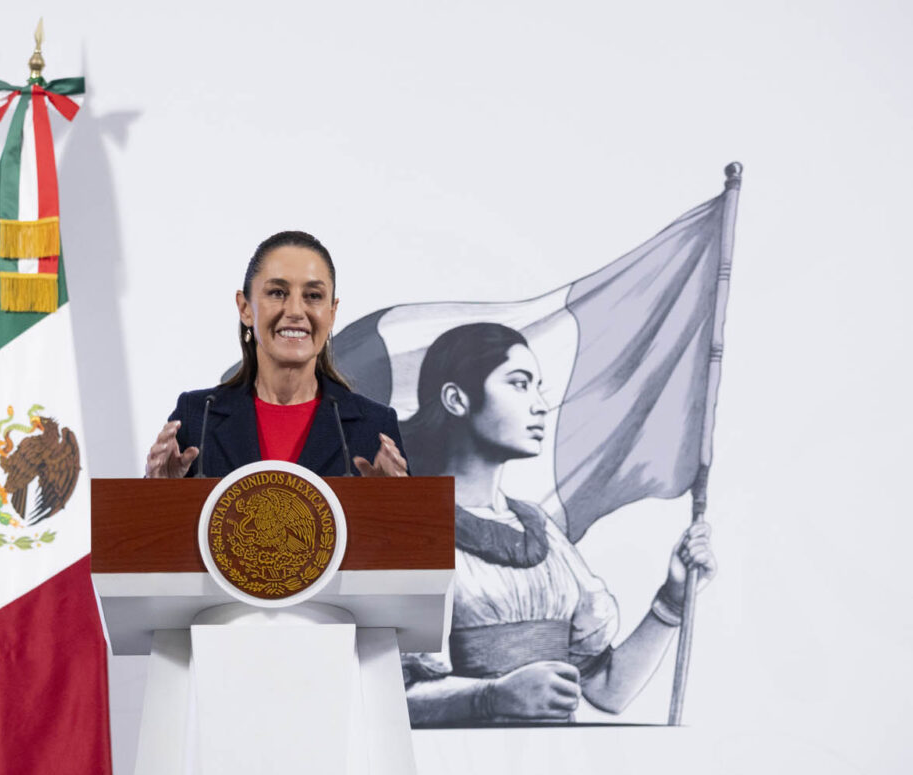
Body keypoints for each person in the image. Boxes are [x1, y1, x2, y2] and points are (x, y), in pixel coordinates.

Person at [400, 322, 716, 725]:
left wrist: (672, 599)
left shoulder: (542, 530)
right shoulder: (408, 528)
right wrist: (491, 697)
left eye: (538, 386)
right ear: (456, 399)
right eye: (519, 383)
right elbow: (388, 696)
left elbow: (607, 690)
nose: (539, 404)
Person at [144, 230, 409, 479]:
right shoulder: (197, 418)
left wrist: (393, 501)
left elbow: (407, 526)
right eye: (277, 292)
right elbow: (151, 525)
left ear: (332, 312)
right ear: (245, 307)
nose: (295, 310)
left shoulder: (374, 425)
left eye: (313, 295)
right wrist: (159, 490)